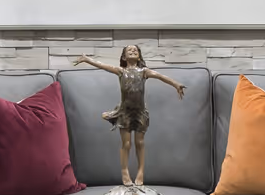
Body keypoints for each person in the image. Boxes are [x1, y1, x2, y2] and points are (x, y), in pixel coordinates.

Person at [73, 45, 186, 185]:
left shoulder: (144, 71)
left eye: (135, 50)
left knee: (140, 143)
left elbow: (160, 76)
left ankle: (140, 172)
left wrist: (176, 84)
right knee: (126, 144)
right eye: (129, 51)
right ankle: (125, 171)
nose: (132, 51)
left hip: (140, 113)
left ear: (139, 56)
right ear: (124, 57)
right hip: (125, 112)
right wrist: (87, 59)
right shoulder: (121, 71)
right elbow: (103, 65)